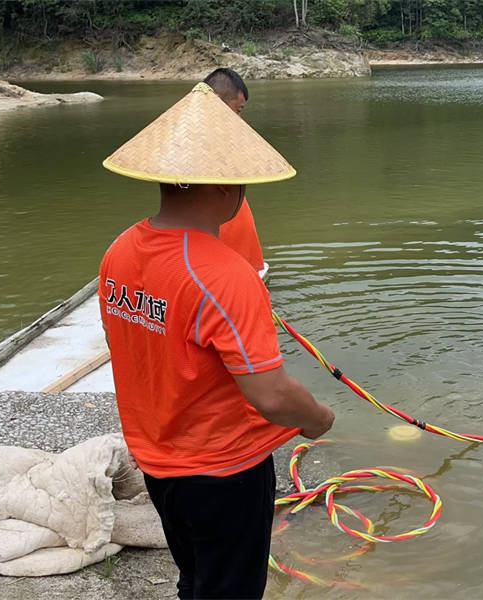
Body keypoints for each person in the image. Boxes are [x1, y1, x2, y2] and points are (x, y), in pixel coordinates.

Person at [99, 82, 331, 599]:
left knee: (197, 576)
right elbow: (269, 393)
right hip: (223, 470)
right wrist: (317, 418)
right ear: (230, 189)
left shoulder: (120, 249)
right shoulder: (223, 274)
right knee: (232, 589)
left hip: (159, 459)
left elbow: (132, 349)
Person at [203, 67, 266, 274]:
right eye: (237, 110)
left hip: (228, 222)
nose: (238, 119)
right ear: (216, 99)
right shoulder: (214, 138)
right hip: (219, 223)